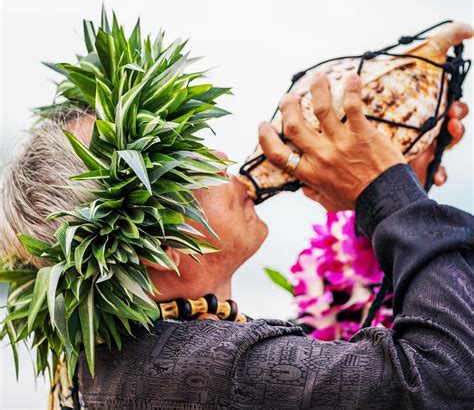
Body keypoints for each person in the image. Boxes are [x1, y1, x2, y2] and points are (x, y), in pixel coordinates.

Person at [1, 68, 472, 408]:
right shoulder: (200, 370)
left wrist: (391, 197)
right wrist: (392, 200)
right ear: (163, 251)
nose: (222, 155)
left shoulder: (124, 361)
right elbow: (446, 379)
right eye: (181, 163)